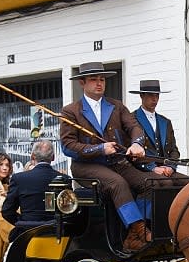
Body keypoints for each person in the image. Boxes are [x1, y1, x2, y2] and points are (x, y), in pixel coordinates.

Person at [60, 62, 161, 251]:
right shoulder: (70, 111)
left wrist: (137, 143)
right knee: (117, 183)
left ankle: (134, 234)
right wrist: (100, 149)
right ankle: (137, 228)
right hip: (86, 166)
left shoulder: (116, 106)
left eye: (102, 79)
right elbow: (68, 146)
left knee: (152, 183)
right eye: (93, 80)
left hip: (118, 162)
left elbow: (134, 127)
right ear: (82, 83)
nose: (99, 83)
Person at [2, 140, 61, 236]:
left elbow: (7, 211)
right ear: (53, 157)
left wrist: (23, 222)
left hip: (26, 232)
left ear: (32, 156)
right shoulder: (65, 179)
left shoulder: (19, 179)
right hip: (56, 233)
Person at [129, 80, 185, 179]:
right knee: (165, 184)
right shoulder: (132, 119)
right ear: (142, 96)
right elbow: (130, 152)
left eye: (157, 95)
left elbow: (173, 150)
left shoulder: (165, 122)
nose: (154, 99)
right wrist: (152, 168)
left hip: (166, 169)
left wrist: (171, 166)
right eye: (151, 95)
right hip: (143, 170)